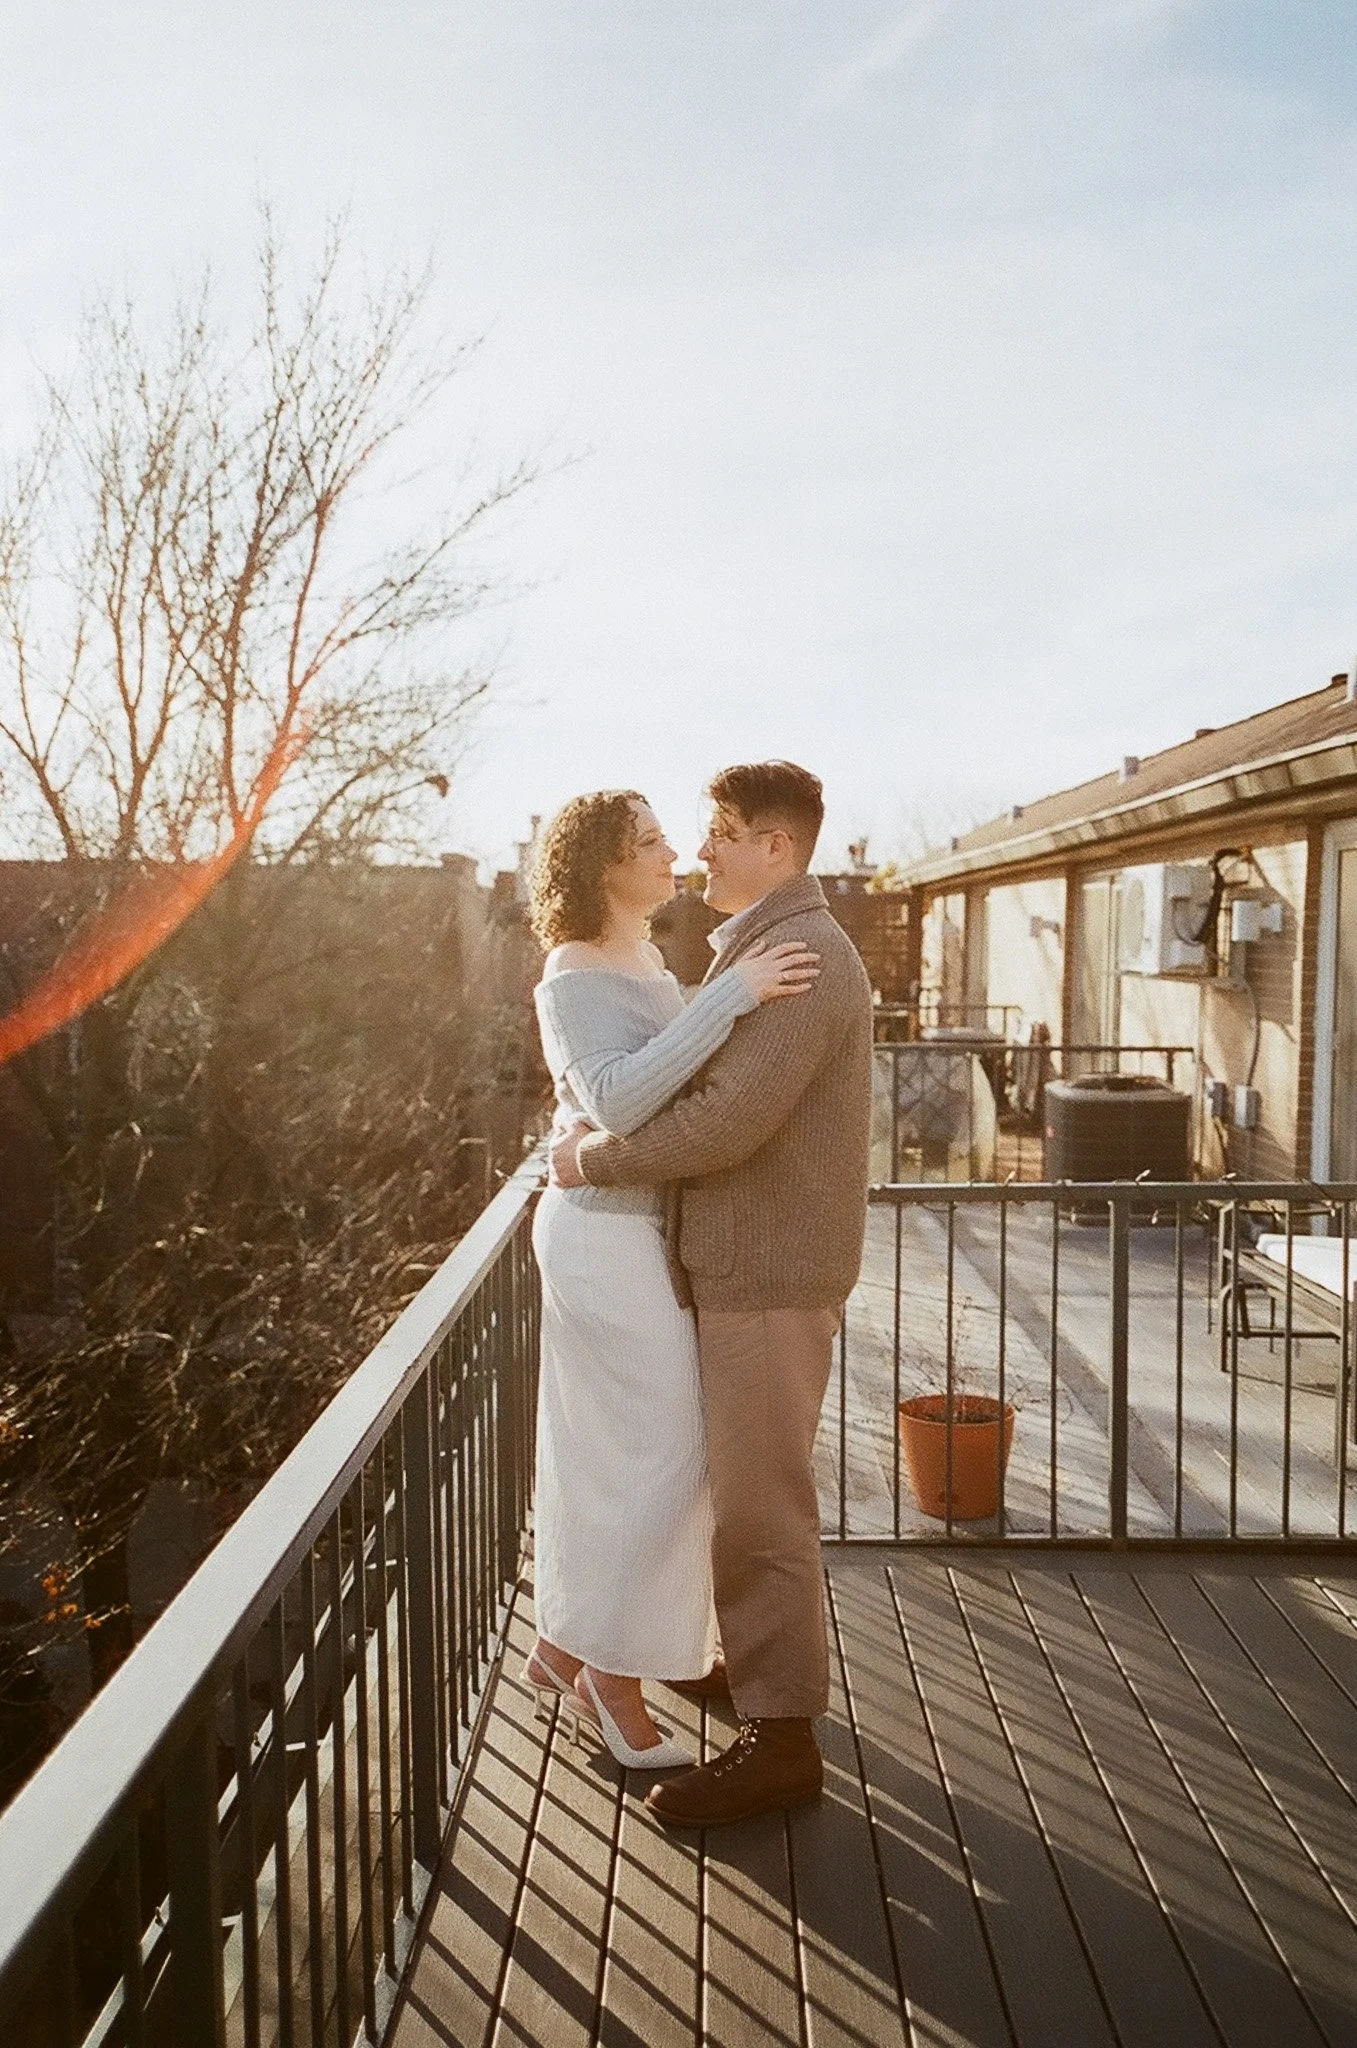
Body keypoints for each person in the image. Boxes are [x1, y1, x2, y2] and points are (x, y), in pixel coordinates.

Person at [551, 760, 873, 1827]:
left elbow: (727, 1120)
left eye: (722, 832)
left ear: (775, 847)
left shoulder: (803, 956)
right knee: (735, 1489)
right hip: (741, 1266)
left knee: (762, 1508)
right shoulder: (759, 945)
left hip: (767, 1271)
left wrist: (590, 1162)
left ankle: (781, 1742)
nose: (700, 851)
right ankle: (746, 1668)